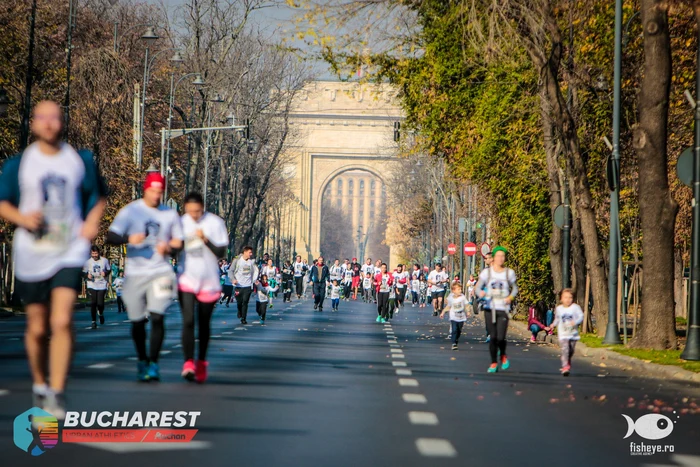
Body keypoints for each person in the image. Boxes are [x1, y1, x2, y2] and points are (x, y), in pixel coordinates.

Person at [0, 101, 107, 418]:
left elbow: (98, 196)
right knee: (36, 327)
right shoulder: (19, 165)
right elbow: (3, 202)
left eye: (55, 117)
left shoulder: (78, 160)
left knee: (61, 320)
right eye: (42, 118)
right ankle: (40, 384)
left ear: (63, 122)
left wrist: (91, 223)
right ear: (33, 123)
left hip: (68, 249)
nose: (48, 123)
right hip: (33, 251)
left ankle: (57, 391)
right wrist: (22, 218)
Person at [107, 172, 183, 382]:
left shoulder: (169, 214)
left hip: (161, 273)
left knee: (158, 316)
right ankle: (142, 359)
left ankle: (154, 363)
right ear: (145, 190)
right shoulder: (131, 211)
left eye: (160, 192)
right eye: (153, 191)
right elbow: (111, 236)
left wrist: (169, 247)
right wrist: (129, 238)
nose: (156, 195)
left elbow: (180, 242)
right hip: (135, 273)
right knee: (138, 321)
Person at [176, 192, 228, 383]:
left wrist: (205, 239)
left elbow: (221, 251)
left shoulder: (215, 223)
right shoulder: (180, 223)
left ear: (203, 207)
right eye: (190, 211)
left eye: (197, 211)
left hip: (209, 281)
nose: (194, 215)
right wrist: (177, 243)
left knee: (203, 324)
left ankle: (201, 361)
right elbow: (173, 249)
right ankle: (188, 362)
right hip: (187, 278)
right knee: (188, 320)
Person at [476, 246, 518, 373]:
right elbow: (478, 287)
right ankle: (494, 362)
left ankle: (503, 354)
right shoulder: (487, 273)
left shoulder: (509, 273)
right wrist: (481, 293)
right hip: (490, 308)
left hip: (503, 308)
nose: (501, 258)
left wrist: (510, 297)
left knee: (500, 337)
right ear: (493, 258)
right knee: (493, 337)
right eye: (498, 256)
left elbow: (515, 288)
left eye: (503, 256)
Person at [551, 289, 584, 376]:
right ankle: (565, 367)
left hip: (573, 334)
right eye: (565, 297)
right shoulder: (559, 309)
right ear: (561, 299)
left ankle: (567, 360)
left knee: (571, 351)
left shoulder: (575, 307)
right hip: (563, 334)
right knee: (565, 349)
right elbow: (557, 319)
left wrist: (575, 322)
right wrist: (553, 324)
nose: (568, 299)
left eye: (570, 297)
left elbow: (581, 316)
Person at [228, 246, 259, 324]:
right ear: (245, 252)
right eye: (249, 252)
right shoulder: (237, 260)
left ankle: (243, 318)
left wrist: (254, 280)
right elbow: (231, 271)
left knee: (245, 302)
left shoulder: (251, 262)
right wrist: (233, 279)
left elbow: (256, 271)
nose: (251, 254)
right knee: (239, 302)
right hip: (238, 285)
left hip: (248, 285)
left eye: (251, 252)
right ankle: (239, 310)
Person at [83, 245, 110, 329]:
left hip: (102, 284)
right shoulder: (87, 262)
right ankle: (93, 321)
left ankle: (100, 313)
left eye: (96, 253)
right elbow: (83, 272)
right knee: (93, 303)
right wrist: (87, 275)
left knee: (100, 304)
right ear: (91, 253)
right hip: (92, 284)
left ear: (99, 253)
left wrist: (105, 273)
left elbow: (109, 269)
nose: (94, 255)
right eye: (93, 253)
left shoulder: (104, 261)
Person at [440, 281, 469, 350]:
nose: (460, 291)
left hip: (461, 316)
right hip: (453, 316)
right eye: (458, 289)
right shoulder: (451, 298)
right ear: (453, 291)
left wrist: (468, 311)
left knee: (459, 330)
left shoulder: (462, 297)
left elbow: (466, 305)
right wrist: (443, 312)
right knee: (454, 329)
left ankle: (456, 339)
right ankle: (454, 343)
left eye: (460, 289)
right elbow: (448, 306)